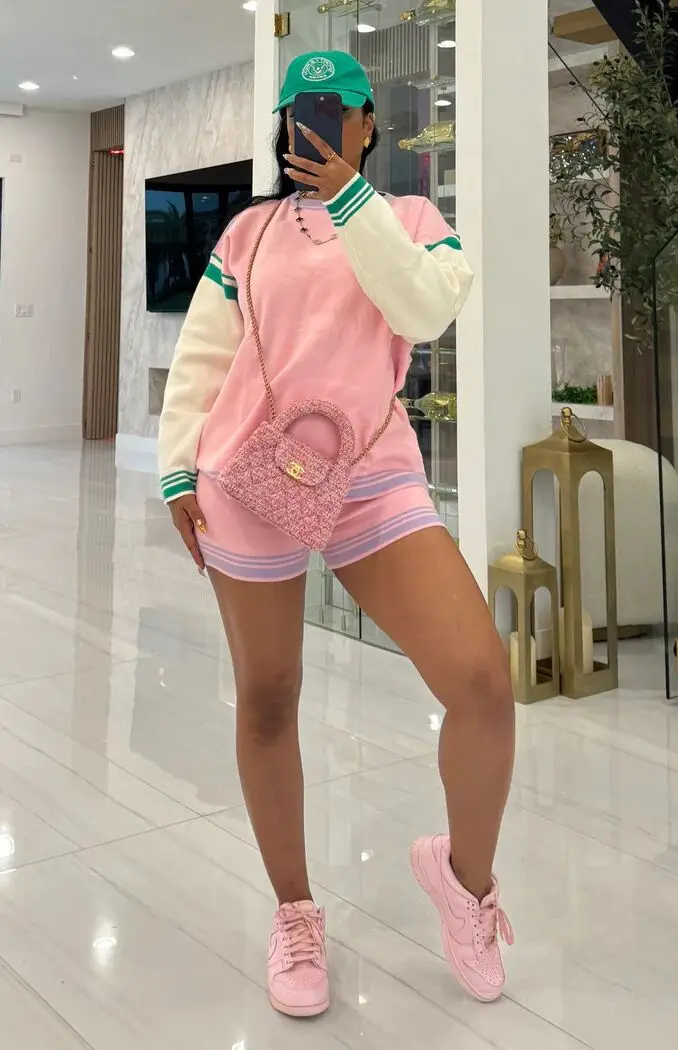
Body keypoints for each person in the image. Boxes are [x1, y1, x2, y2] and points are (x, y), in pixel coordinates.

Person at [159, 50, 515, 1018]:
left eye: (332, 106)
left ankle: (467, 885)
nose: (310, 122)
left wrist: (353, 199)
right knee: (268, 696)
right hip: (248, 469)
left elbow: (423, 310)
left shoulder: (411, 219)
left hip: (372, 470)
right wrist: (178, 465)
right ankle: (295, 912)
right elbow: (205, 354)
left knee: (481, 682)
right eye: (296, 110)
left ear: (366, 123)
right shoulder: (249, 232)